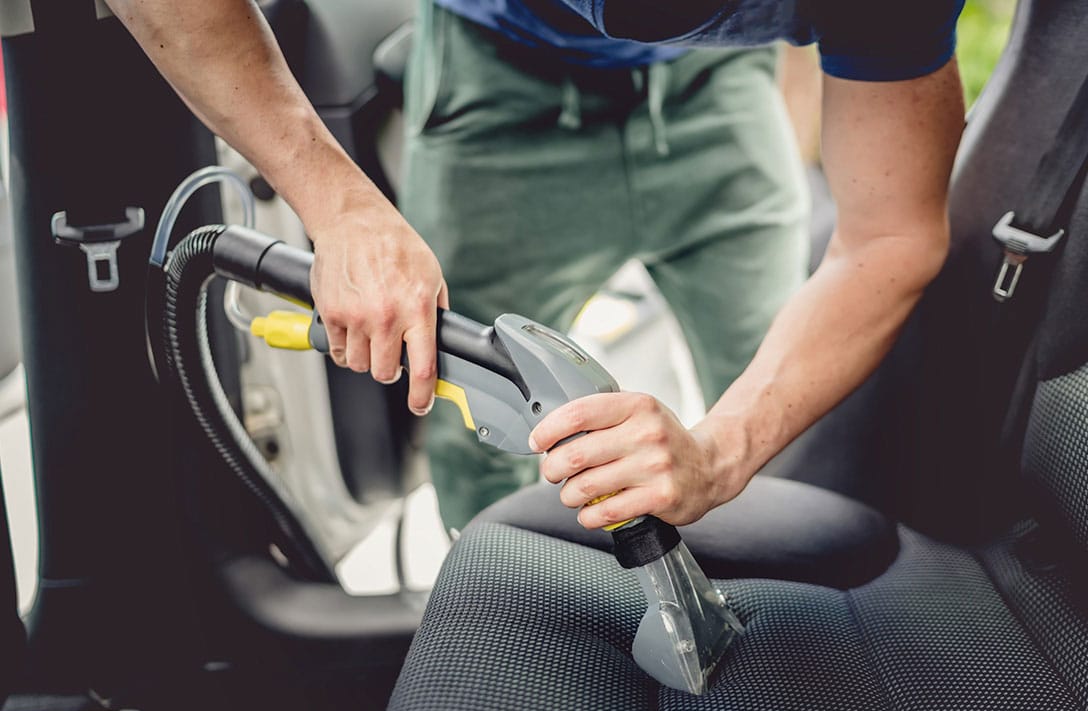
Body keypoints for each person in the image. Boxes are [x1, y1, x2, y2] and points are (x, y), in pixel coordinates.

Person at [108, 0, 965, 533]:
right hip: (498, 82)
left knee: (794, 416)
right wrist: (340, 204)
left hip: (716, 90)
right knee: (485, 423)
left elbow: (889, 239)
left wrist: (719, 452)